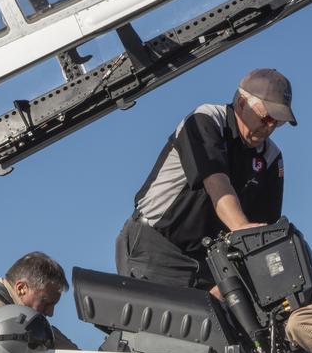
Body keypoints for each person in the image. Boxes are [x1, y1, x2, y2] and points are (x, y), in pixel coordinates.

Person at [116, 68, 296, 291]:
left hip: (210, 261)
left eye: (278, 122)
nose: (270, 127)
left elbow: (261, 231)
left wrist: (228, 284)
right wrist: (240, 227)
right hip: (155, 248)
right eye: (266, 117)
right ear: (241, 103)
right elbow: (217, 183)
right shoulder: (206, 120)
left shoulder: (270, 158)